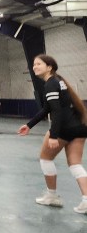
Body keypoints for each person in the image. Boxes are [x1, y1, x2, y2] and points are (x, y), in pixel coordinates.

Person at [18, 54, 87, 214]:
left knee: (45, 159)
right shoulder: (59, 81)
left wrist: (54, 136)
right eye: (34, 64)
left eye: (39, 64)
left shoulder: (51, 84)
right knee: (75, 165)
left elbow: (56, 111)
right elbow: (47, 109)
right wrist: (29, 125)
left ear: (49, 67)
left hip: (64, 128)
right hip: (79, 127)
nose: (35, 67)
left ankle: (52, 196)